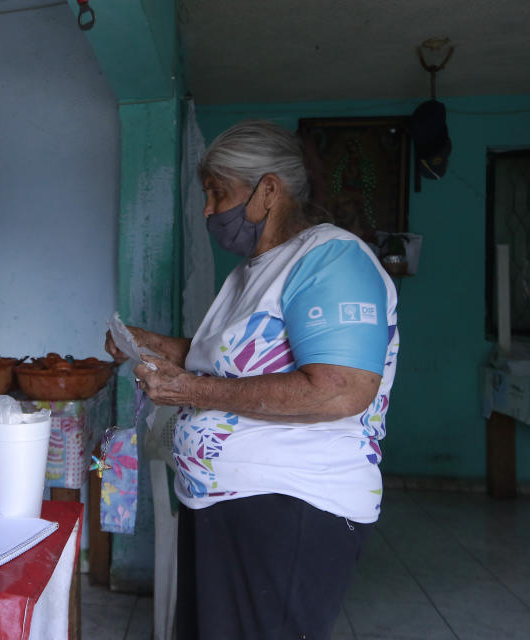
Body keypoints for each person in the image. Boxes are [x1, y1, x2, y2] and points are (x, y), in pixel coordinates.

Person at [105, 120, 398, 639]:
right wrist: (144, 342)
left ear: (268, 189)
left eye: (218, 194)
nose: (208, 211)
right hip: (225, 500)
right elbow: (219, 360)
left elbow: (341, 388)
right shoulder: (252, 270)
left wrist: (189, 391)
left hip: (291, 505)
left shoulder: (330, 259)